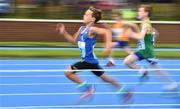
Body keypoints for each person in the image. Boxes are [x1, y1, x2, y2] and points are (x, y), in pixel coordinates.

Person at [56, 7, 132, 102]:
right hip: (92, 60)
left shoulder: (92, 30)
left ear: (93, 19)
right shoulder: (81, 29)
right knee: (105, 78)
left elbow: (107, 31)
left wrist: (108, 45)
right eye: (84, 13)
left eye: (87, 14)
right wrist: (64, 32)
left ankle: (88, 88)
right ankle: (125, 91)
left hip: (88, 61)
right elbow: (72, 41)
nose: (84, 15)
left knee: (67, 72)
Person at [122, 5, 178, 91]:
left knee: (157, 70)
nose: (138, 12)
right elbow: (157, 33)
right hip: (143, 50)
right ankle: (143, 70)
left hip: (146, 51)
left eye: (141, 11)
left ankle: (171, 83)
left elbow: (140, 37)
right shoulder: (146, 23)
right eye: (138, 11)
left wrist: (131, 34)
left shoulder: (145, 24)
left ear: (146, 13)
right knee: (127, 62)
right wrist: (151, 42)